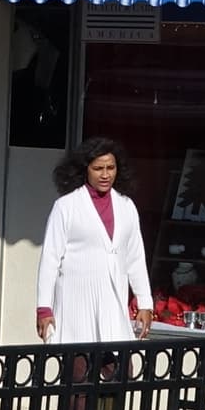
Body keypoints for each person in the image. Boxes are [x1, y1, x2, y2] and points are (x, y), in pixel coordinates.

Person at [37, 136, 154, 343]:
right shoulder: (66, 206)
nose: (106, 175)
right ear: (85, 170)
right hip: (76, 307)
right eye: (98, 168)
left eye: (111, 168)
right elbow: (50, 260)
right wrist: (44, 309)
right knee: (79, 372)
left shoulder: (126, 206)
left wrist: (145, 302)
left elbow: (135, 258)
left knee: (120, 371)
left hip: (113, 306)